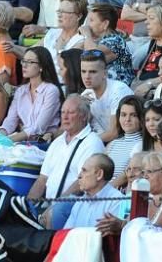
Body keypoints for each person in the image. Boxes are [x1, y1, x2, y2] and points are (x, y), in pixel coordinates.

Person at [28, 95, 106, 229]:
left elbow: (81, 184)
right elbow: (42, 179)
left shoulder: (92, 142)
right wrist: (27, 205)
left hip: (73, 205)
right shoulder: (57, 143)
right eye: (63, 112)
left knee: (57, 212)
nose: (65, 117)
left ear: (83, 116)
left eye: (71, 112)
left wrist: (55, 206)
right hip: (49, 204)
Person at [0, 46, 62, 143]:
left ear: (41, 67)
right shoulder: (21, 91)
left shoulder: (51, 90)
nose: (24, 65)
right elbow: (10, 121)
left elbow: (38, 128)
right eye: (24, 61)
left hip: (43, 143)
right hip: (22, 141)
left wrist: (8, 140)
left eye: (30, 62)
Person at [63, 154, 124, 228]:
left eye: (84, 170)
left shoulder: (117, 201)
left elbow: (107, 237)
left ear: (99, 175)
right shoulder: (79, 203)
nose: (79, 176)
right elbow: (67, 233)